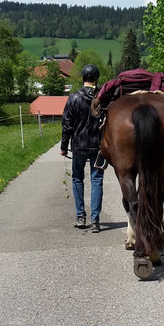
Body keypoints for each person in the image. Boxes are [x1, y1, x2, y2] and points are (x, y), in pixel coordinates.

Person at [60, 64, 104, 233]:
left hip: (78, 145)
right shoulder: (102, 98)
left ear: (83, 78)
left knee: (77, 178)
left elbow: (67, 125)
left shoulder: (74, 97)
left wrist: (64, 146)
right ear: (97, 78)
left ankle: (80, 217)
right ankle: (95, 221)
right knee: (97, 179)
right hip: (98, 146)